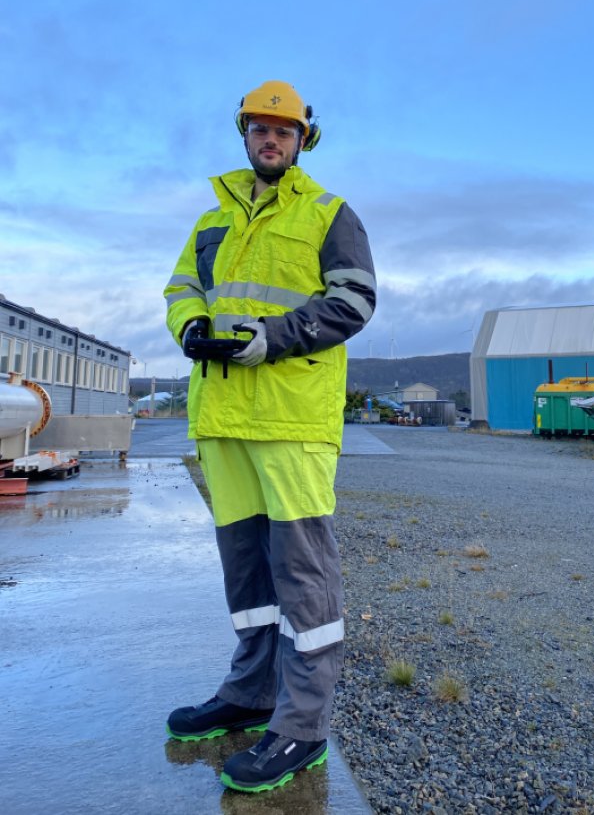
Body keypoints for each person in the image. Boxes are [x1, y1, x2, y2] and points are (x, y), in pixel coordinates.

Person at [163, 80, 376, 793]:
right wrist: (189, 326)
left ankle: (303, 727)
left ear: (303, 139)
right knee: (248, 574)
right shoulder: (211, 221)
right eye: (259, 128)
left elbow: (354, 299)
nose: (270, 139)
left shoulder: (328, 214)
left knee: (303, 574)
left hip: (291, 421)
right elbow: (180, 289)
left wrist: (273, 340)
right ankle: (251, 693)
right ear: (244, 135)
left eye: (283, 130)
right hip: (222, 422)